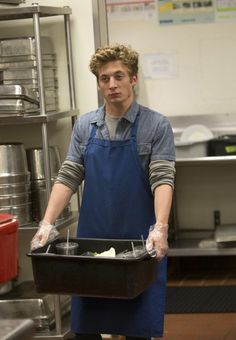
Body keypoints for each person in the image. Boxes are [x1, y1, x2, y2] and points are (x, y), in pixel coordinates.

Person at [31, 43, 176, 340]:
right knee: (87, 328)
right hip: (92, 246)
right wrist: (47, 223)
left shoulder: (155, 125)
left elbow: (162, 178)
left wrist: (160, 227)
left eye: (119, 76)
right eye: (104, 78)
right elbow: (68, 176)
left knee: (137, 328)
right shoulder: (86, 126)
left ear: (133, 79)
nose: (112, 85)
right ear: (98, 83)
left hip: (139, 244)